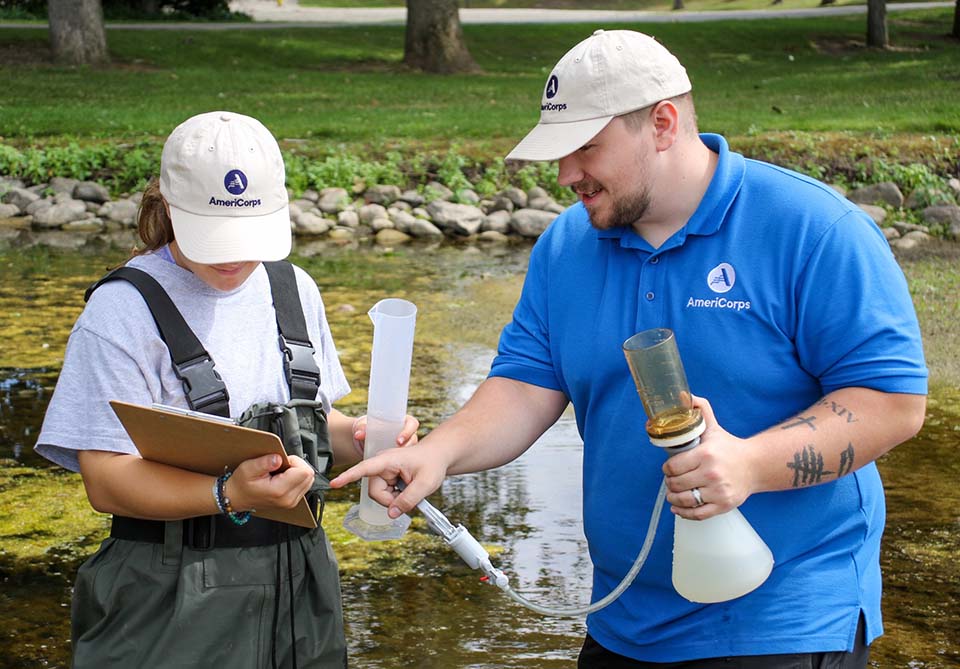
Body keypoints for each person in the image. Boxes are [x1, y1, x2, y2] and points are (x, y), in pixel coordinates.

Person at [330, 29, 928, 668]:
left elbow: (892, 403)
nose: (565, 176)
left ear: (663, 124)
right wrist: (439, 453)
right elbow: (527, 384)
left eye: (586, 148)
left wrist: (750, 464)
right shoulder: (567, 245)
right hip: (622, 619)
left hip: (783, 618)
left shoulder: (812, 229)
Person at [34, 110, 419, 668]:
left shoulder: (293, 289)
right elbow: (106, 482)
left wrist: (364, 440)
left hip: (301, 586)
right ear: (168, 207)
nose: (235, 257)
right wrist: (229, 494)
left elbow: (316, 423)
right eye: (214, 237)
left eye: (250, 234)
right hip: (166, 599)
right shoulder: (121, 310)